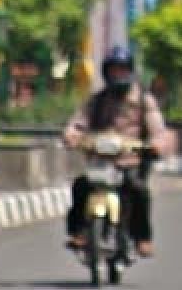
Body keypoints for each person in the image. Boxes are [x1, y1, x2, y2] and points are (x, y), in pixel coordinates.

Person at [63, 46, 173, 258]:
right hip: (101, 162)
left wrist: (156, 144)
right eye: (114, 70)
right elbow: (78, 122)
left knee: (138, 190)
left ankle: (143, 237)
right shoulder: (97, 100)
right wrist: (71, 135)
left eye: (122, 70)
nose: (118, 74)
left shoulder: (143, 100)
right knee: (80, 186)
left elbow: (158, 128)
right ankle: (78, 233)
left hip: (130, 161)